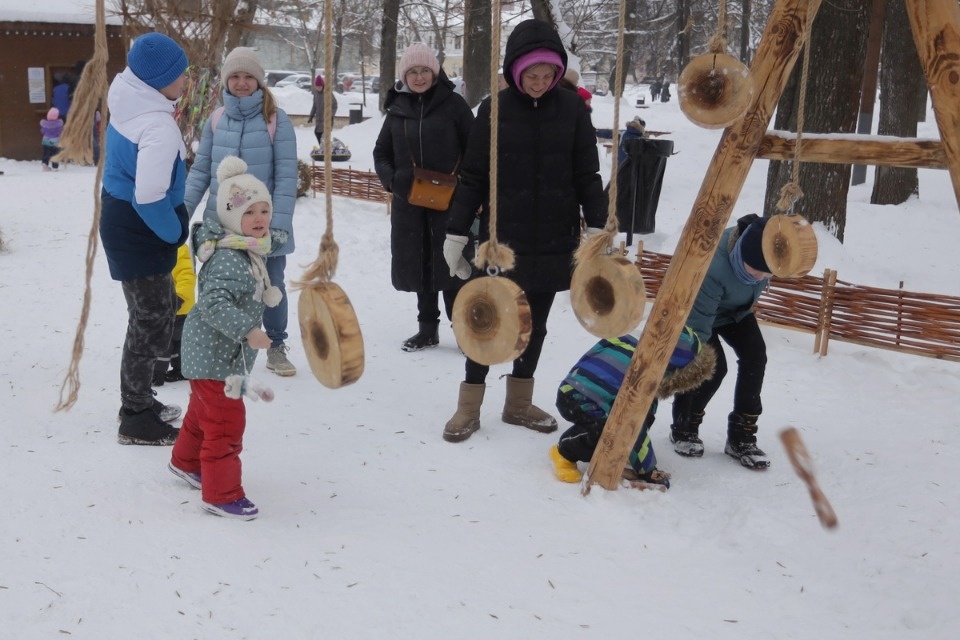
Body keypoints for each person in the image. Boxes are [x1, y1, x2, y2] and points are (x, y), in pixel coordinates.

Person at [441, 18, 607, 442]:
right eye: (531, 75)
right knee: (486, 317)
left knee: (535, 323)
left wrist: (599, 228)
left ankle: (517, 403)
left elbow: (587, 174)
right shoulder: (494, 110)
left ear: (557, 72)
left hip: (555, 238)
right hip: (503, 239)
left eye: (547, 74)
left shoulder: (573, 110)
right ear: (515, 72)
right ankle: (468, 405)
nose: (538, 82)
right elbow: (474, 175)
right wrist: (457, 231)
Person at [170, 156, 285, 521]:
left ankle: (185, 462)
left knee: (203, 413)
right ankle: (220, 494)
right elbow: (213, 305)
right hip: (213, 356)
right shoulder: (228, 259)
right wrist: (249, 331)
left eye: (265, 210)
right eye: (250, 212)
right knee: (225, 423)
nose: (260, 218)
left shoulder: (246, 250)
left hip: (214, 356)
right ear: (232, 219)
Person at [184, 46, 299, 377]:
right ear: (226, 80)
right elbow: (202, 171)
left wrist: (278, 228)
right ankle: (224, 343)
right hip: (222, 227)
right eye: (235, 76)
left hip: (265, 225)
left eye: (249, 76)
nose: (242, 82)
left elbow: (286, 178)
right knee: (221, 287)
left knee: (271, 285)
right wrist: (182, 212)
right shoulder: (217, 119)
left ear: (260, 81)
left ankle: (276, 346)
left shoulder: (276, 120)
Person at [99, 32, 189, 445]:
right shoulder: (156, 126)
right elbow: (149, 195)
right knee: (150, 320)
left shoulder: (132, 100)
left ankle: (140, 398)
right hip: (140, 226)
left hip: (125, 219)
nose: (187, 79)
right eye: (180, 74)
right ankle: (134, 415)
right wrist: (174, 233)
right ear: (158, 80)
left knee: (162, 307)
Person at [373, 43, 475, 352]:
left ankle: (465, 332)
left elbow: (474, 152)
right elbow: (381, 153)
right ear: (405, 75)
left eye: (425, 71)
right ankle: (427, 329)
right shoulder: (397, 109)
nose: (419, 77)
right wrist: (392, 181)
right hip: (411, 202)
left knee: (452, 263)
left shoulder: (454, 105)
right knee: (421, 265)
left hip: (451, 201)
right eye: (413, 72)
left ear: (436, 72)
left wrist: (469, 191)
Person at [550, 327, 716, 488]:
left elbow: (600, 348)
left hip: (572, 387)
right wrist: (648, 470)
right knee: (608, 432)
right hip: (579, 398)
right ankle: (564, 452)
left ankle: (622, 448)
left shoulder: (631, 340)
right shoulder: (642, 380)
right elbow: (634, 428)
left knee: (639, 416)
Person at [669, 213, 774, 469]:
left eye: (767, 272)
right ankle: (684, 427)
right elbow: (700, 325)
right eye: (755, 270)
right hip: (698, 311)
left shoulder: (766, 249)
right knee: (711, 367)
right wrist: (697, 355)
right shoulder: (713, 267)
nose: (760, 277)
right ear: (740, 254)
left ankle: (742, 436)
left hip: (736, 311)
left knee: (755, 356)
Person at [152, 244, 195, 385]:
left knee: (164, 341)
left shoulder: (180, 250)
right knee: (177, 341)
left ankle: (158, 372)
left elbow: (187, 275)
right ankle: (181, 369)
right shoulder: (160, 248)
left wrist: (179, 298)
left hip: (177, 305)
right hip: (170, 306)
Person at [307, 73, 338, 148]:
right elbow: (314, 106)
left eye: (319, 86)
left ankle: (327, 148)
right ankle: (323, 147)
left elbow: (335, 105)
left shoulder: (328, 93)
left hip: (327, 118)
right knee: (317, 133)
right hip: (319, 118)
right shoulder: (316, 94)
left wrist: (331, 115)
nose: (318, 88)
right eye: (317, 87)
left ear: (322, 85)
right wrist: (311, 116)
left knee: (324, 135)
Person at [40, 107, 63, 171]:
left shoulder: (45, 124)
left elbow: (42, 131)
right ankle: (55, 167)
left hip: (46, 141)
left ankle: (45, 164)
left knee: (46, 153)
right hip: (55, 142)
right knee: (55, 154)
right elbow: (60, 133)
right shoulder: (59, 125)